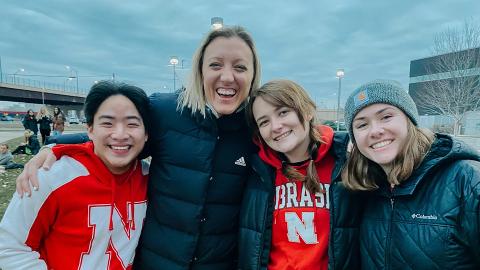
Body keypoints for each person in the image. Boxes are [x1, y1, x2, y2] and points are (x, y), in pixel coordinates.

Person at [16, 25, 261, 269]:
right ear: (200, 70)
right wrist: (55, 147)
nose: (227, 76)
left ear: (253, 75)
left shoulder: (257, 127)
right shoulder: (166, 111)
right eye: (215, 65)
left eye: (240, 67)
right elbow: (118, 138)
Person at [0, 81, 150, 269]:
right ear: (90, 130)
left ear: (146, 134)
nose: (120, 134)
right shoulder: (49, 176)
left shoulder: (152, 178)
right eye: (107, 123)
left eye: (132, 124)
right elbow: (10, 249)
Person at [342, 80, 480, 269]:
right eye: (362, 125)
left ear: (409, 120)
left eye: (386, 117)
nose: (375, 131)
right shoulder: (366, 189)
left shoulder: (467, 180)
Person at [239, 80, 362, 270]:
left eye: (283, 112)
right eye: (264, 122)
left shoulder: (347, 160)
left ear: (307, 111)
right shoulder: (255, 171)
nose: (276, 126)